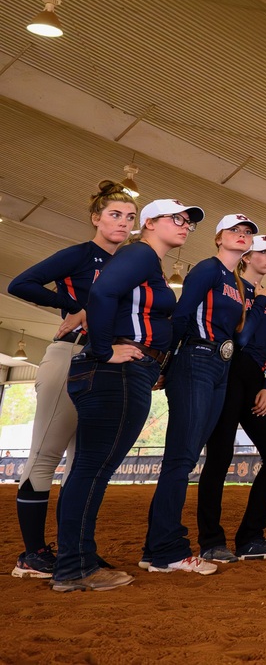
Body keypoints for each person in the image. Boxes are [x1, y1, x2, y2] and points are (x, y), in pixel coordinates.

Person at [51, 197, 197, 592]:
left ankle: (77, 557)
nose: (185, 226)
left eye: (189, 222)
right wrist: (103, 349)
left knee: (90, 467)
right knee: (92, 469)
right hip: (113, 369)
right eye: (177, 219)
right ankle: (74, 567)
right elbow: (101, 294)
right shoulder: (140, 254)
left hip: (126, 370)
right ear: (149, 222)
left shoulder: (147, 261)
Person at [6, 180, 136, 579]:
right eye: (115, 215)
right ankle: (31, 556)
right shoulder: (79, 255)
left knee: (83, 462)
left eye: (130, 217)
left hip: (111, 361)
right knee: (46, 454)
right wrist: (75, 305)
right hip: (71, 354)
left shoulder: (131, 264)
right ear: (96, 218)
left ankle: (74, 550)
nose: (123, 223)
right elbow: (20, 284)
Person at [144, 213, 258, 575]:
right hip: (195, 358)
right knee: (180, 458)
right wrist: (164, 364)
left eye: (247, 233)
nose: (241, 236)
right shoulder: (208, 270)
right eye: (234, 231)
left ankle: (156, 548)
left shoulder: (237, 284)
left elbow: (239, 337)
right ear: (218, 237)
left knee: (188, 455)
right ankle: (166, 549)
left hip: (220, 364)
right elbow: (180, 315)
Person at [196, 234, 266, 562]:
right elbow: (240, 338)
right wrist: (261, 304)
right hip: (228, 371)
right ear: (246, 257)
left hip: (255, 380)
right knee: (220, 457)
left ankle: (251, 536)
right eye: (263, 252)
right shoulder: (234, 290)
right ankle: (211, 540)